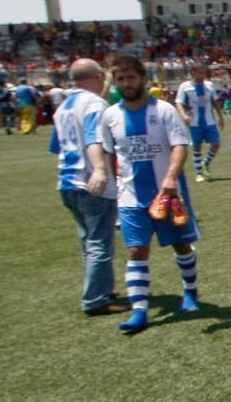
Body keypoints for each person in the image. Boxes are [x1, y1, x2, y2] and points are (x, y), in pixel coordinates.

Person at [99, 54, 202, 333]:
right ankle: (140, 311)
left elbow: (180, 146)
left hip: (168, 195)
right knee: (136, 250)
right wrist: (111, 182)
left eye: (130, 78)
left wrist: (170, 177)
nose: (126, 83)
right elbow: (109, 154)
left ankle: (190, 292)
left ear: (143, 79)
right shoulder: (110, 116)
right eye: (120, 79)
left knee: (180, 245)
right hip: (130, 196)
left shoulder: (164, 110)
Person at [49, 59, 121, 315]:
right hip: (90, 181)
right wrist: (100, 170)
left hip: (66, 181)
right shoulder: (95, 105)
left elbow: (55, 147)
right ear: (98, 76)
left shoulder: (63, 107)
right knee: (100, 241)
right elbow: (94, 139)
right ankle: (96, 299)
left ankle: (101, 286)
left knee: (87, 241)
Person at [175, 66, 224, 182]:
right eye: (198, 74)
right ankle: (199, 173)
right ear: (192, 74)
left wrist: (220, 117)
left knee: (216, 144)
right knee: (197, 147)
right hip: (194, 122)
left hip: (209, 121)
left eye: (203, 73)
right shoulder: (184, 87)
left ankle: (205, 163)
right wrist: (184, 115)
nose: (201, 76)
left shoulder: (209, 85)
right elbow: (178, 102)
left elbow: (214, 101)